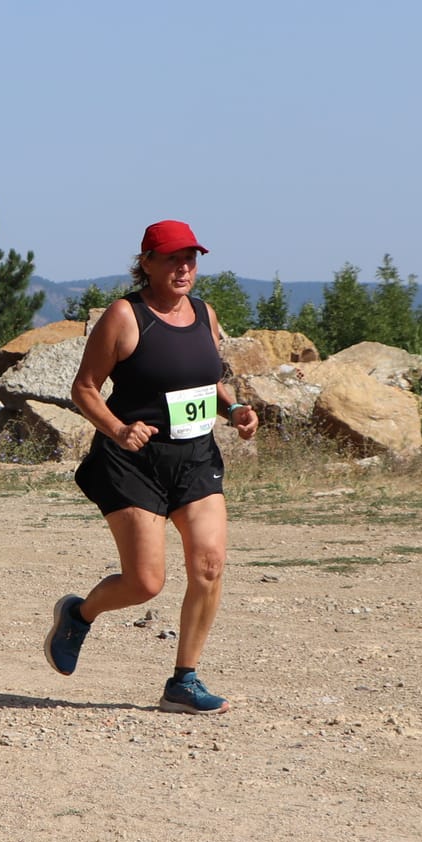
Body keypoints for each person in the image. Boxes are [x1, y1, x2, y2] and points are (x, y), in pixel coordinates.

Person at [43, 219, 259, 713]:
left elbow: (206, 380)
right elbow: (84, 388)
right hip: (132, 463)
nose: (185, 267)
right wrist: (118, 428)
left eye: (191, 258)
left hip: (196, 458)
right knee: (145, 583)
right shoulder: (125, 316)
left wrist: (233, 410)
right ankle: (79, 613)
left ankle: (184, 680)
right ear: (147, 263)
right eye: (172, 258)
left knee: (209, 563)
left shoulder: (206, 313)